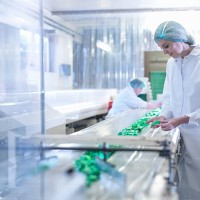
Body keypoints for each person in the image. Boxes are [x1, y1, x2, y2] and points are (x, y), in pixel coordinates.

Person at [147, 21, 200, 199]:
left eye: (166, 46)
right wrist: (163, 116)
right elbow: (168, 96)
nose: (164, 51)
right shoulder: (172, 63)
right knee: (183, 182)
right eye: (162, 47)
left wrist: (184, 118)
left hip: (198, 133)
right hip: (180, 134)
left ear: (179, 38)